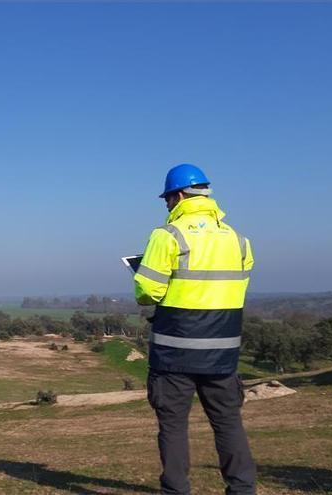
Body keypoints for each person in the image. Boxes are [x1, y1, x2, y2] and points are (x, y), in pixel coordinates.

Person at [134, 163, 256, 495]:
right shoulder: (239, 240)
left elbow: (147, 293)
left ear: (177, 196)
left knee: (173, 426)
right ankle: (242, 489)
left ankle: (176, 491)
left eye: (167, 200)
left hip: (174, 353)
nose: (167, 206)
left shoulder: (167, 236)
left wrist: (141, 271)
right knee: (228, 423)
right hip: (222, 352)